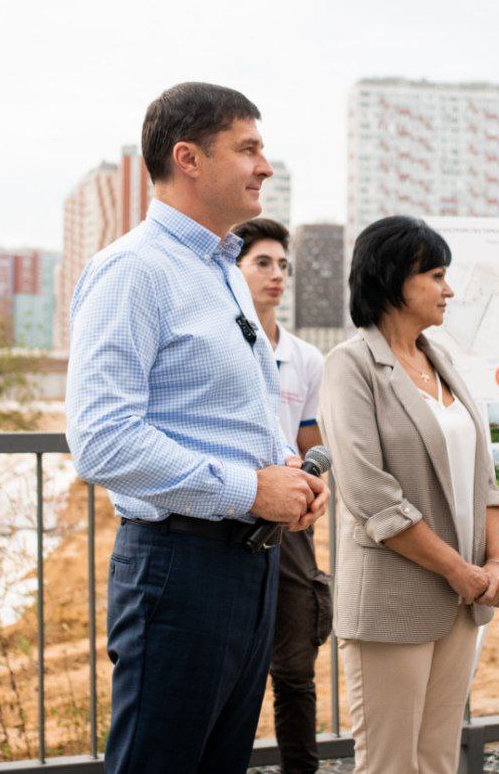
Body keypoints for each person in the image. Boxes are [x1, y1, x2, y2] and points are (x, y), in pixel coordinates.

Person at [66, 82, 329, 774]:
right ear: (188, 158)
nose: (264, 166)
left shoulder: (223, 273)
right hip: (179, 567)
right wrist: (251, 489)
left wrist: (287, 472)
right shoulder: (133, 271)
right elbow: (101, 440)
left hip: (248, 563)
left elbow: (238, 413)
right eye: (248, 149)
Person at [317, 215, 499, 774]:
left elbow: (483, 477)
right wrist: (458, 569)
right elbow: (370, 493)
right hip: (394, 600)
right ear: (393, 278)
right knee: (389, 763)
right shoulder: (350, 365)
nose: (449, 290)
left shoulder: (442, 361)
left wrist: (498, 561)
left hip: (463, 599)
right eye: (436, 275)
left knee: (437, 759)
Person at [233, 217, 331, 774]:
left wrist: (317, 486)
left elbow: (310, 437)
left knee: (295, 667)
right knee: (232, 669)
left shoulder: (307, 358)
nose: (276, 275)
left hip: (290, 525)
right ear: (234, 269)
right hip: (232, 510)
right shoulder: (224, 345)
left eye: (283, 266)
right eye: (262, 263)